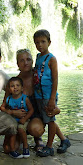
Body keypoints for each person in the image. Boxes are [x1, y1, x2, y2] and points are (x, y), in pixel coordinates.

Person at [3, 48, 61, 152]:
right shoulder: (13, 83)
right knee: (8, 149)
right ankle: (21, 135)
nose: (26, 63)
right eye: (22, 60)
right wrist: (12, 112)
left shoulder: (39, 78)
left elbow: (50, 94)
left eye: (28, 59)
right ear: (17, 63)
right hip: (19, 119)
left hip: (36, 116)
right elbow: (4, 106)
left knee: (36, 129)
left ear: (33, 62)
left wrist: (56, 108)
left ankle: (37, 138)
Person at [33, 29, 70, 157]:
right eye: (37, 43)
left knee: (50, 121)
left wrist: (52, 98)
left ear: (49, 42)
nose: (40, 45)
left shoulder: (52, 59)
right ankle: (64, 140)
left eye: (43, 42)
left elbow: (55, 79)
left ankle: (49, 147)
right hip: (39, 95)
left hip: (48, 96)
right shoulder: (38, 57)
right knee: (49, 119)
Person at [0, 77, 34, 159]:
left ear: (22, 88)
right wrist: (8, 111)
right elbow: (2, 107)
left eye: (17, 85)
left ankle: (25, 147)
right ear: (9, 89)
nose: (15, 87)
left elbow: (31, 110)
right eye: (12, 86)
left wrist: (25, 119)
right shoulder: (8, 99)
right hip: (13, 121)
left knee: (21, 129)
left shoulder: (24, 98)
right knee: (12, 131)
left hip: (23, 120)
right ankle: (12, 151)